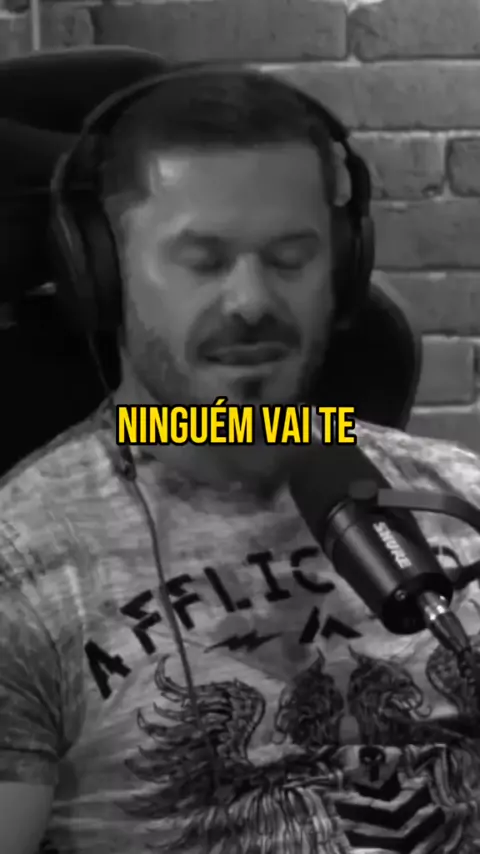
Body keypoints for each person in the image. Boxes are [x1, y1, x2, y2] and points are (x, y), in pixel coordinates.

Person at [1, 68, 480, 854]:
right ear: (103, 274)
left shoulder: (455, 498)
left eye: (291, 259)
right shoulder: (19, 565)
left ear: (345, 267)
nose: (252, 301)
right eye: (203, 260)